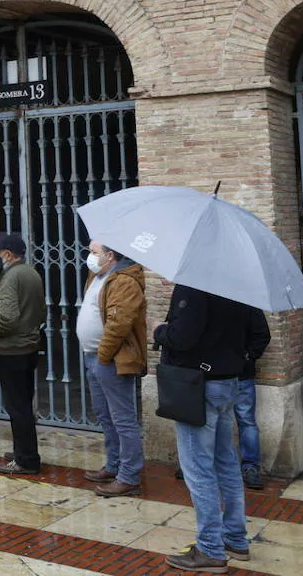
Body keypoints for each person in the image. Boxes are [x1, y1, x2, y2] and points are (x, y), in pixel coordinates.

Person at [154, 284, 262, 573]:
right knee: (225, 462)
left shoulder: (195, 286)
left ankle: (211, 549)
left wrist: (160, 330)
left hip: (199, 386)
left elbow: (182, 337)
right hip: (227, 381)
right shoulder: (237, 285)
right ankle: (235, 539)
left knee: (199, 469)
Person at [77, 240, 147, 494]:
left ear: (110, 255)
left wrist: (103, 356)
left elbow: (119, 324)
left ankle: (129, 476)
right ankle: (114, 464)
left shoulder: (125, 281)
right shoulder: (97, 276)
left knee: (123, 419)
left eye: (94, 252)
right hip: (93, 356)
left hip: (111, 360)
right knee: (105, 415)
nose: (89, 256)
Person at [0, 233, 46, 476]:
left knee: (17, 407)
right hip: (28, 346)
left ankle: (27, 459)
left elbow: (7, 317)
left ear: (8, 254)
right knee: (23, 404)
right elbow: (41, 311)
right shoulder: (31, 273)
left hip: (12, 350)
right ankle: (22, 450)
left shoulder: (11, 277)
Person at [234, 309, 271, 490]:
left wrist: (248, 356)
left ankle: (250, 467)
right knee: (212, 420)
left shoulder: (246, 302)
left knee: (246, 419)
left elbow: (262, 334)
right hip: (214, 373)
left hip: (240, 373)